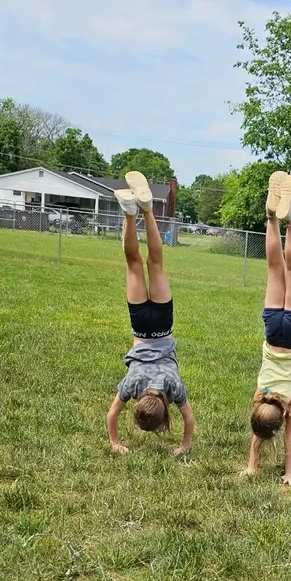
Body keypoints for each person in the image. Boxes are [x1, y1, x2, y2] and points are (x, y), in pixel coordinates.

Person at [107, 170, 195, 460]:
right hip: (141, 328)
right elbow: (112, 416)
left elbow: (190, 421)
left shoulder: (174, 388)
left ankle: (147, 208)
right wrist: (114, 442)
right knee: (134, 264)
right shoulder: (131, 385)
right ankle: (131, 213)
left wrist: (184, 445)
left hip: (162, 325)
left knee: (156, 263)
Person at [244, 171, 291, 487]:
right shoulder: (260, 393)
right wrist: (251, 464)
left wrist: (289, 473)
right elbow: (258, 427)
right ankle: (272, 216)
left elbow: (288, 443)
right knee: (274, 270)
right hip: (272, 332)